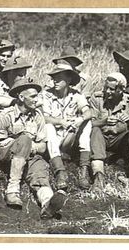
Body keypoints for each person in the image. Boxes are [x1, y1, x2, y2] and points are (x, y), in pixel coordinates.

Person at [0, 77, 66, 219]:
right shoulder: (5, 116)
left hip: (31, 158)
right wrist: (21, 144)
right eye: (33, 96)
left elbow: (42, 147)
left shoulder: (38, 116)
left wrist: (28, 148)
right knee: (25, 139)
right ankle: (12, 191)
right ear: (21, 97)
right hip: (9, 158)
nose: (37, 99)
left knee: (40, 172)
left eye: (37, 96)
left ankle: (47, 203)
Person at [89, 72, 129, 188]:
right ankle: (98, 176)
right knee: (95, 130)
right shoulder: (97, 98)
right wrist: (103, 122)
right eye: (106, 87)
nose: (107, 91)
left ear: (121, 90)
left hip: (120, 141)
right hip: (101, 139)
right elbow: (89, 123)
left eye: (111, 89)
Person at [39, 63, 92, 191]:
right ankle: (60, 172)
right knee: (49, 127)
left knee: (87, 123)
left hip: (69, 137)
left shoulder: (76, 95)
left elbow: (88, 112)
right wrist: (60, 121)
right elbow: (43, 118)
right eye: (53, 78)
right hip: (53, 140)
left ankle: (83, 170)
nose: (55, 81)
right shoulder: (46, 95)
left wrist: (79, 119)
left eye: (59, 78)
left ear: (68, 80)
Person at [0, 56, 33, 168]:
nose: (23, 78)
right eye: (20, 75)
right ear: (10, 74)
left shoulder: (26, 86)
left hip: (22, 122)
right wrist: (16, 102)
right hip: (5, 122)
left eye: (24, 74)